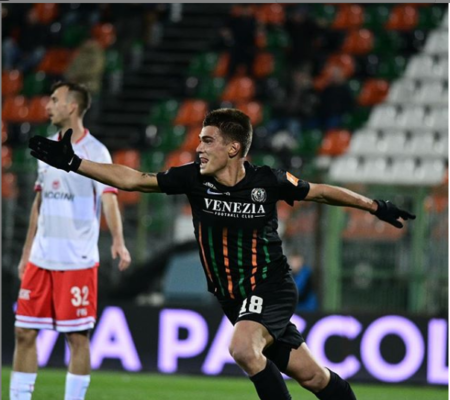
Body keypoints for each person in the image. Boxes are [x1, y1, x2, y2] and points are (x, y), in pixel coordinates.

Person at [28, 108, 415, 400]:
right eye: (200, 140)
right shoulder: (193, 179)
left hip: (270, 285)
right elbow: (135, 180)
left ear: (233, 148)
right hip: (233, 298)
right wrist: (74, 163)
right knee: (313, 377)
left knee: (242, 347)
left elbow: (322, 192)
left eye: (208, 141)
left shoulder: (267, 181)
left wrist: (375, 206)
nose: (198, 148)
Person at [11, 81, 131, 400]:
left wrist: (118, 241)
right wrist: (26, 253)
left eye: (54, 100)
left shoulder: (96, 151)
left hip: (77, 260)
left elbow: (109, 199)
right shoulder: (46, 147)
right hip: (41, 259)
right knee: (23, 332)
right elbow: (40, 202)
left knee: (77, 338)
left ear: (72, 106)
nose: (48, 105)